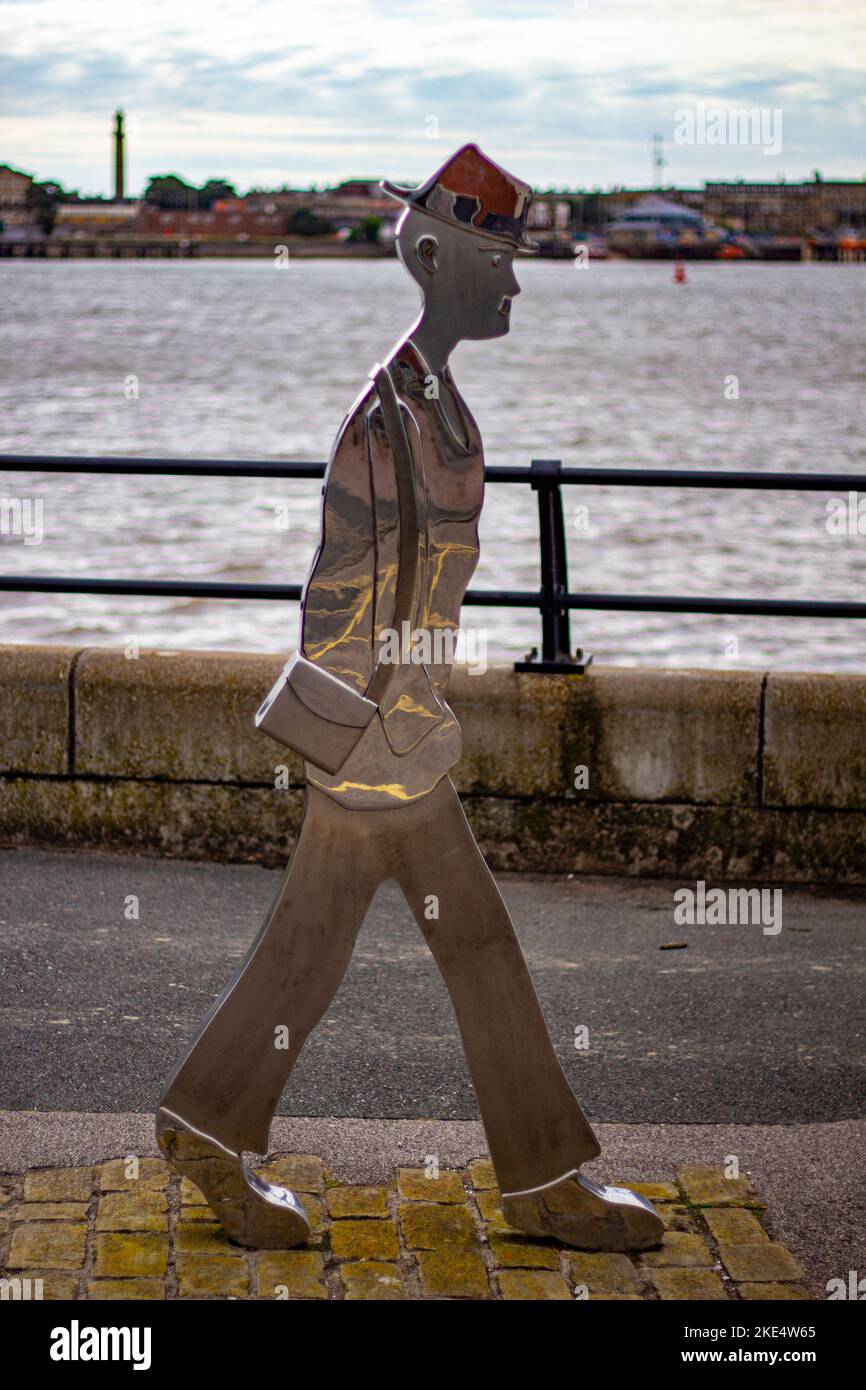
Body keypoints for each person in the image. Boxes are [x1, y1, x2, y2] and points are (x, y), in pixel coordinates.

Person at [157, 145, 663, 1252]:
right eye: (497, 261)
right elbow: (338, 591)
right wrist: (365, 729)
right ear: (433, 258)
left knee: (338, 951)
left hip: (399, 742)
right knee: (448, 947)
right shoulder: (383, 423)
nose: (515, 284)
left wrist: (407, 710)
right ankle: (537, 1184)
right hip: (376, 752)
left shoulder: (444, 413)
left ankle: (210, 1127)